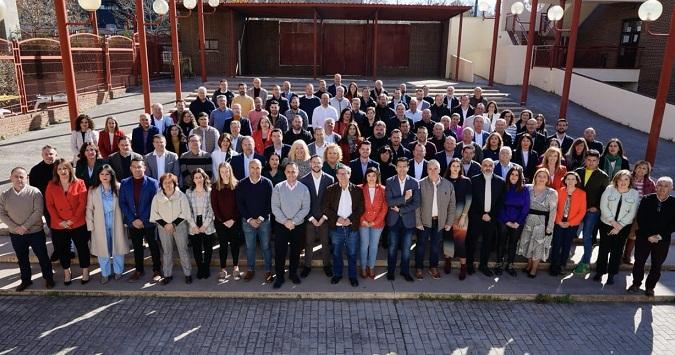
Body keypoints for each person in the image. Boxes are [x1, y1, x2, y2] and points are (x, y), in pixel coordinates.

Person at [0, 167, 55, 291]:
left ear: (27, 178)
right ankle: (25, 280)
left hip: (35, 232)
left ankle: (49, 278)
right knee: (22, 258)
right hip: (16, 234)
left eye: (22, 177)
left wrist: (24, 226)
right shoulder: (5, 195)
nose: (19, 179)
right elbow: (2, 213)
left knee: (42, 256)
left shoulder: (35, 192)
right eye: (16, 176)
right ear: (11, 178)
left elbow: (38, 211)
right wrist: (15, 228)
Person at [45, 158, 91, 285]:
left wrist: (73, 220)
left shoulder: (79, 183)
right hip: (59, 224)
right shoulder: (51, 185)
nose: (62, 171)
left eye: (65, 168)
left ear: (70, 170)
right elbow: (49, 205)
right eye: (59, 169)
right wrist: (60, 221)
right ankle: (67, 272)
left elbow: (83, 203)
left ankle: (85, 271)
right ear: (56, 171)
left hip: (77, 222)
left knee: (82, 248)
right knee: (62, 249)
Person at [628, 177, 675, 297]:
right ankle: (636, 284)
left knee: (657, 264)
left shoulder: (674, 203)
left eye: (666, 186)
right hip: (644, 237)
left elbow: (673, 224)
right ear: (656, 186)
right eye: (660, 185)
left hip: (662, 239)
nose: (662, 188)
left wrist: (659, 236)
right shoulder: (647, 199)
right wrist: (649, 235)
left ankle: (650, 287)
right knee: (639, 262)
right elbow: (641, 218)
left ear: (671, 188)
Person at [593, 170, 639, 285]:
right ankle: (600, 272)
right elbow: (603, 206)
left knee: (617, 251)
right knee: (604, 249)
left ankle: (611, 274)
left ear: (630, 181)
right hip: (606, 225)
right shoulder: (609, 189)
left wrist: (620, 226)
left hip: (623, 227)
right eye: (620, 179)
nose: (623, 182)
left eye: (626, 179)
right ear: (616, 180)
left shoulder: (634, 193)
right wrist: (613, 223)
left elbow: (632, 212)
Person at [119, 158, 161, 283]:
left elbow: (154, 203)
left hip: (148, 221)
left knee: (153, 246)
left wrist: (142, 219)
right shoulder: (125, 183)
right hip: (133, 223)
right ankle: (139, 270)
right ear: (130, 168)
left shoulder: (153, 183)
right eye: (134, 167)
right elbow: (122, 203)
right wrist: (133, 220)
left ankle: (157, 270)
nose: (137, 169)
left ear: (144, 168)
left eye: (139, 167)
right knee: (137, 247)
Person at [86, 165, 129, 284]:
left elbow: (125, 205)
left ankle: (118, 271)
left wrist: (126, 222)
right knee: (102, 250)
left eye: (107, 174)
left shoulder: (119, 187)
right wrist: (90, 225)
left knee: (118, 248)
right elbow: (89, 208)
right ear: (98, 176)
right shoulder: (93, 190)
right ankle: (105, 273)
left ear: (111, 175)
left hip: (117, 221)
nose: (104, 177)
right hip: (100, 222)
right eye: (102, 174)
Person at [270, 162, 311, 289]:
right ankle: (280, 276)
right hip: (281, 225)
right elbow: (275, 207)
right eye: (288, 171)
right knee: (280, 252)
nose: (291, 174)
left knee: (295, 251)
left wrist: (293, 222)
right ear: (285, 173)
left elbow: (305, 208)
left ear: (297, 173)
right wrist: (285, 221)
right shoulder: (278, 187)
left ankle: (293, 274)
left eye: (293, 171)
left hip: (297, 225)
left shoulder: (303, 188)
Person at [323, 165, 365, 287]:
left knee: (352, 253)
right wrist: (338, 218)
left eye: (345, 173)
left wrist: (350, 220)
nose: (342, 176)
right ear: (336, 176)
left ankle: (352, 276)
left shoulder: (357, 190)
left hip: (352, 228)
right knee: (336, 253)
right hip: (336, 228)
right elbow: (325, 208)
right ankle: (338, 274)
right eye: (340, 174)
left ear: (349, 174)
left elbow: (361, 209)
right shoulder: (330, 189)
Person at [415, 160, 456, 280]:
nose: (432, 171)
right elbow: (416, 205)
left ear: (440, 170)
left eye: (435, 169)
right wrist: (418, 221)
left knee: (435, 246)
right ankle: (419, 268)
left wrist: (449, 222)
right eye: (430, 169)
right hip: (424, 221)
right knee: (421, 245)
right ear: (427, 170)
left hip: (440, 222)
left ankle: (433, 267)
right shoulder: (420, 184)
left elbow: (452, 205)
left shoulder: (448, 185)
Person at [149, 173, 192, 285]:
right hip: (163, 228)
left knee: (183, 250)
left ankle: (188, 274)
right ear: (162, 185)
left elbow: (185, 212)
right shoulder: (157, 197)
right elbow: (154, 213)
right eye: (165, 183)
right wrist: (165, 224)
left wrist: (173, 224)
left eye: (170, 182)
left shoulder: (181, 196)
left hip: (179, 226)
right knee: (167, 251)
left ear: (175, 183)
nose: (168, 185)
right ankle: (167, 274)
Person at [236, 159, 274, 283]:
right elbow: (240, 204)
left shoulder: (267, 183)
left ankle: (268, 270)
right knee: (250, 247)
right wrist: (250, 219)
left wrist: (260, 218)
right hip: (248, 222)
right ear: (249, 168)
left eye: (258, 168)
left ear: (261, 169)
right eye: (252, 168)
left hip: (264, 222)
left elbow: (270, 203)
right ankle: (250, 269)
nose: (255, 170)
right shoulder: (242, 184)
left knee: (266, 246)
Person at [573, 150, 610, 274]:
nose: (591, 163)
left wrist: (598, 207)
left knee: (587, 236)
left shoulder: (603, 176)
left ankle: (585, 263)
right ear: (585, 159)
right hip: (576, 208)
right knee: (571, 233)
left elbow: (606, 195)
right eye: (589, 160)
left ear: (598, 161)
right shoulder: (578, 171)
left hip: (592, 210)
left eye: (594, 160)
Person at [517, 168, 558, 278]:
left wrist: (549, 227)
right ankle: (529, 264)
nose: (541, 178)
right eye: (539, 176)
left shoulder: (552, 192)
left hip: (542, 223)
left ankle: (534, 269)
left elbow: (553, 211)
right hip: (527, 220)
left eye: (544, 176)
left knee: (538, 246)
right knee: (527, 244)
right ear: (535, 177)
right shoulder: (527, 188)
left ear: (548, 179)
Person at [385, 158, 421, 281]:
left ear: (408, 167)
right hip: (393, 220)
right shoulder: (389, 181)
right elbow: (389, 201)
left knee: (406, 248)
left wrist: (401, 210)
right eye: (399, 166)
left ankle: (405, 271)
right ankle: (391, 271)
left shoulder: (414, 183)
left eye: (404, 166)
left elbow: (416, 203)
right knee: (392, 247)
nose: (401, 169)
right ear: (396, 168)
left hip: (408, 220)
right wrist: (404, 198)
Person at [299, 155, 335, 277]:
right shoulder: (303, 181)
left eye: (318, 162)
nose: (316, 164)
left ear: (322, 164)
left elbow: (331, 201)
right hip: (309, 218)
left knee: (325, 242)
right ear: (310, 164)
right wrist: (311, 218)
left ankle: (327, 266)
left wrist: (324, 216)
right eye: (313, 162)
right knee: (308, 243)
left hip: (324, 218)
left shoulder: (329, 179)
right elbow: (302, 202)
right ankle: (307, 266)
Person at [467, 159, 504, 276]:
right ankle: (469, 265)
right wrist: (481, 214)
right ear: (481, 167)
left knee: (487, 243)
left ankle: (483, 266)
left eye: (490, 165)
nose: (487, 167)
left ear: (493, 167)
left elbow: (500, 202)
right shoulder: (473, 180)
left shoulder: (500, 182)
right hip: (476, 217)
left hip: (491, 218)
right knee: (471, 242)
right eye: (485, 165)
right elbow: (471, 200)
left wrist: (490, 215)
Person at [549, 171, 587, 276]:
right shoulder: (558, 191)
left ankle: (562, 266)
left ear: (576, 181)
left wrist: (570, 223)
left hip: (572, 224)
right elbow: (554, 208)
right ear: (565, 180)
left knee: (566, 245)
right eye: (568, 179)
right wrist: (558, 221)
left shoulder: (582, 194)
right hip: (559, 222)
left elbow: (582, 211)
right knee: (556, 244)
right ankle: (554, 266)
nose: (570, 181)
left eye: (573, 179)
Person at [211, 162, 243, 282]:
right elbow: (214, 206)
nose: (225, 174)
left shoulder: (237, 185)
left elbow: (240, 205)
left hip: (234, 221)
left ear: (230, 171)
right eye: (222, 171)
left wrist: (233, 219)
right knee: (223, 246)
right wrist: (223, 221)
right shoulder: (215, 186)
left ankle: (235, 266)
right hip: (221, 222)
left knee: (235, 245)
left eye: (227, 171)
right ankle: (223, 268)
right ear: (219, 172)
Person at [496, 166, 530, 277]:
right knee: (502, 242)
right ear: (508, 175)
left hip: (517, 222)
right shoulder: (503, 187)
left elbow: (526, 207)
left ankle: (510, 264)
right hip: (503, 220)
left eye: (517, 175)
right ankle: (499, 264)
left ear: (520, 177)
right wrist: (506, 221)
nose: (514, 177)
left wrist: (518, 222)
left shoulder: (524, 189)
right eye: (512, 174)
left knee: (513, 243)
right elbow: (499, 205)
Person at [623, 160, 656, 264]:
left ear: (647, 171)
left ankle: (627, 256)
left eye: (644, 168)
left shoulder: (650, 183)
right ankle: (617, 255)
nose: (641, 170)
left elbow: (652, 199)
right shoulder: (627, 177)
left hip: (639, 212)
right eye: (639, 167)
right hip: (625, 210)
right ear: (635, 168)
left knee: (633, 235)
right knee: (622, 234)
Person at [444, 158, 472, 279]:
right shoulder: (444, 181)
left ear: (460, 168)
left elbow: (469, 200)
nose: (455, 168)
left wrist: (463, 216)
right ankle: (448, 262)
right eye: (453, 165)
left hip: (462, 217)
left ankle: (463, 267)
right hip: (446, 217)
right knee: (448, 241)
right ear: (450, 167)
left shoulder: (466, 181)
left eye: (458, 166)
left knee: (460, 243)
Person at [186, 169, 217, 280]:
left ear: (204, 178)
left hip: (207, 222)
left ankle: (206, 267)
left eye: (200, 177)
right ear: (193, 179)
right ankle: (200, 268)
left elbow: (212, 209)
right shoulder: (188, 192)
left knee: (208, 247)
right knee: (196, 248)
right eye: (196, 177)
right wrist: (193, 225)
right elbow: (187, 210)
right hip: (193, 222)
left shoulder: (210, 191)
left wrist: (205, 225)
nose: (198, 179)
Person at [358, 167, 387, 279]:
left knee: (374, 246)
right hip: (363, 223)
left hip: (377, 224)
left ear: (377, 177)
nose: (371, 178)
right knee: (364, 245)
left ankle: (371, 267)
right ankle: (363, 267)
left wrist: (375, 222)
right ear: (366, 177)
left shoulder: (383, 189)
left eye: (374, 175)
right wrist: (363, 220)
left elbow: (384, 208)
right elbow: (357, 207)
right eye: (369, 175)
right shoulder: (360, 188)